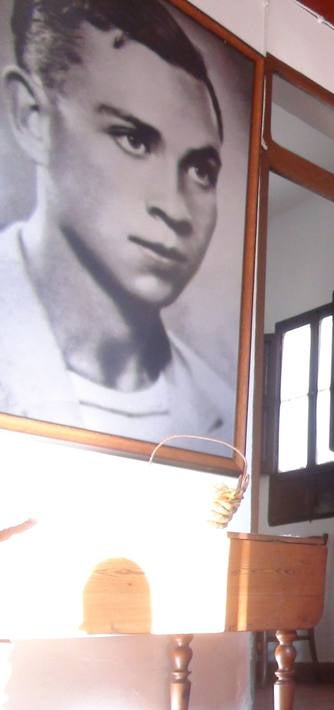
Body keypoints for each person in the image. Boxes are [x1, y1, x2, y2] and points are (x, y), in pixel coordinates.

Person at [0, 0, 233, 442]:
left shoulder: (220, 407)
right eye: (133, 140)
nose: (175, 208)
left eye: (201, 171)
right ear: (32, 118)